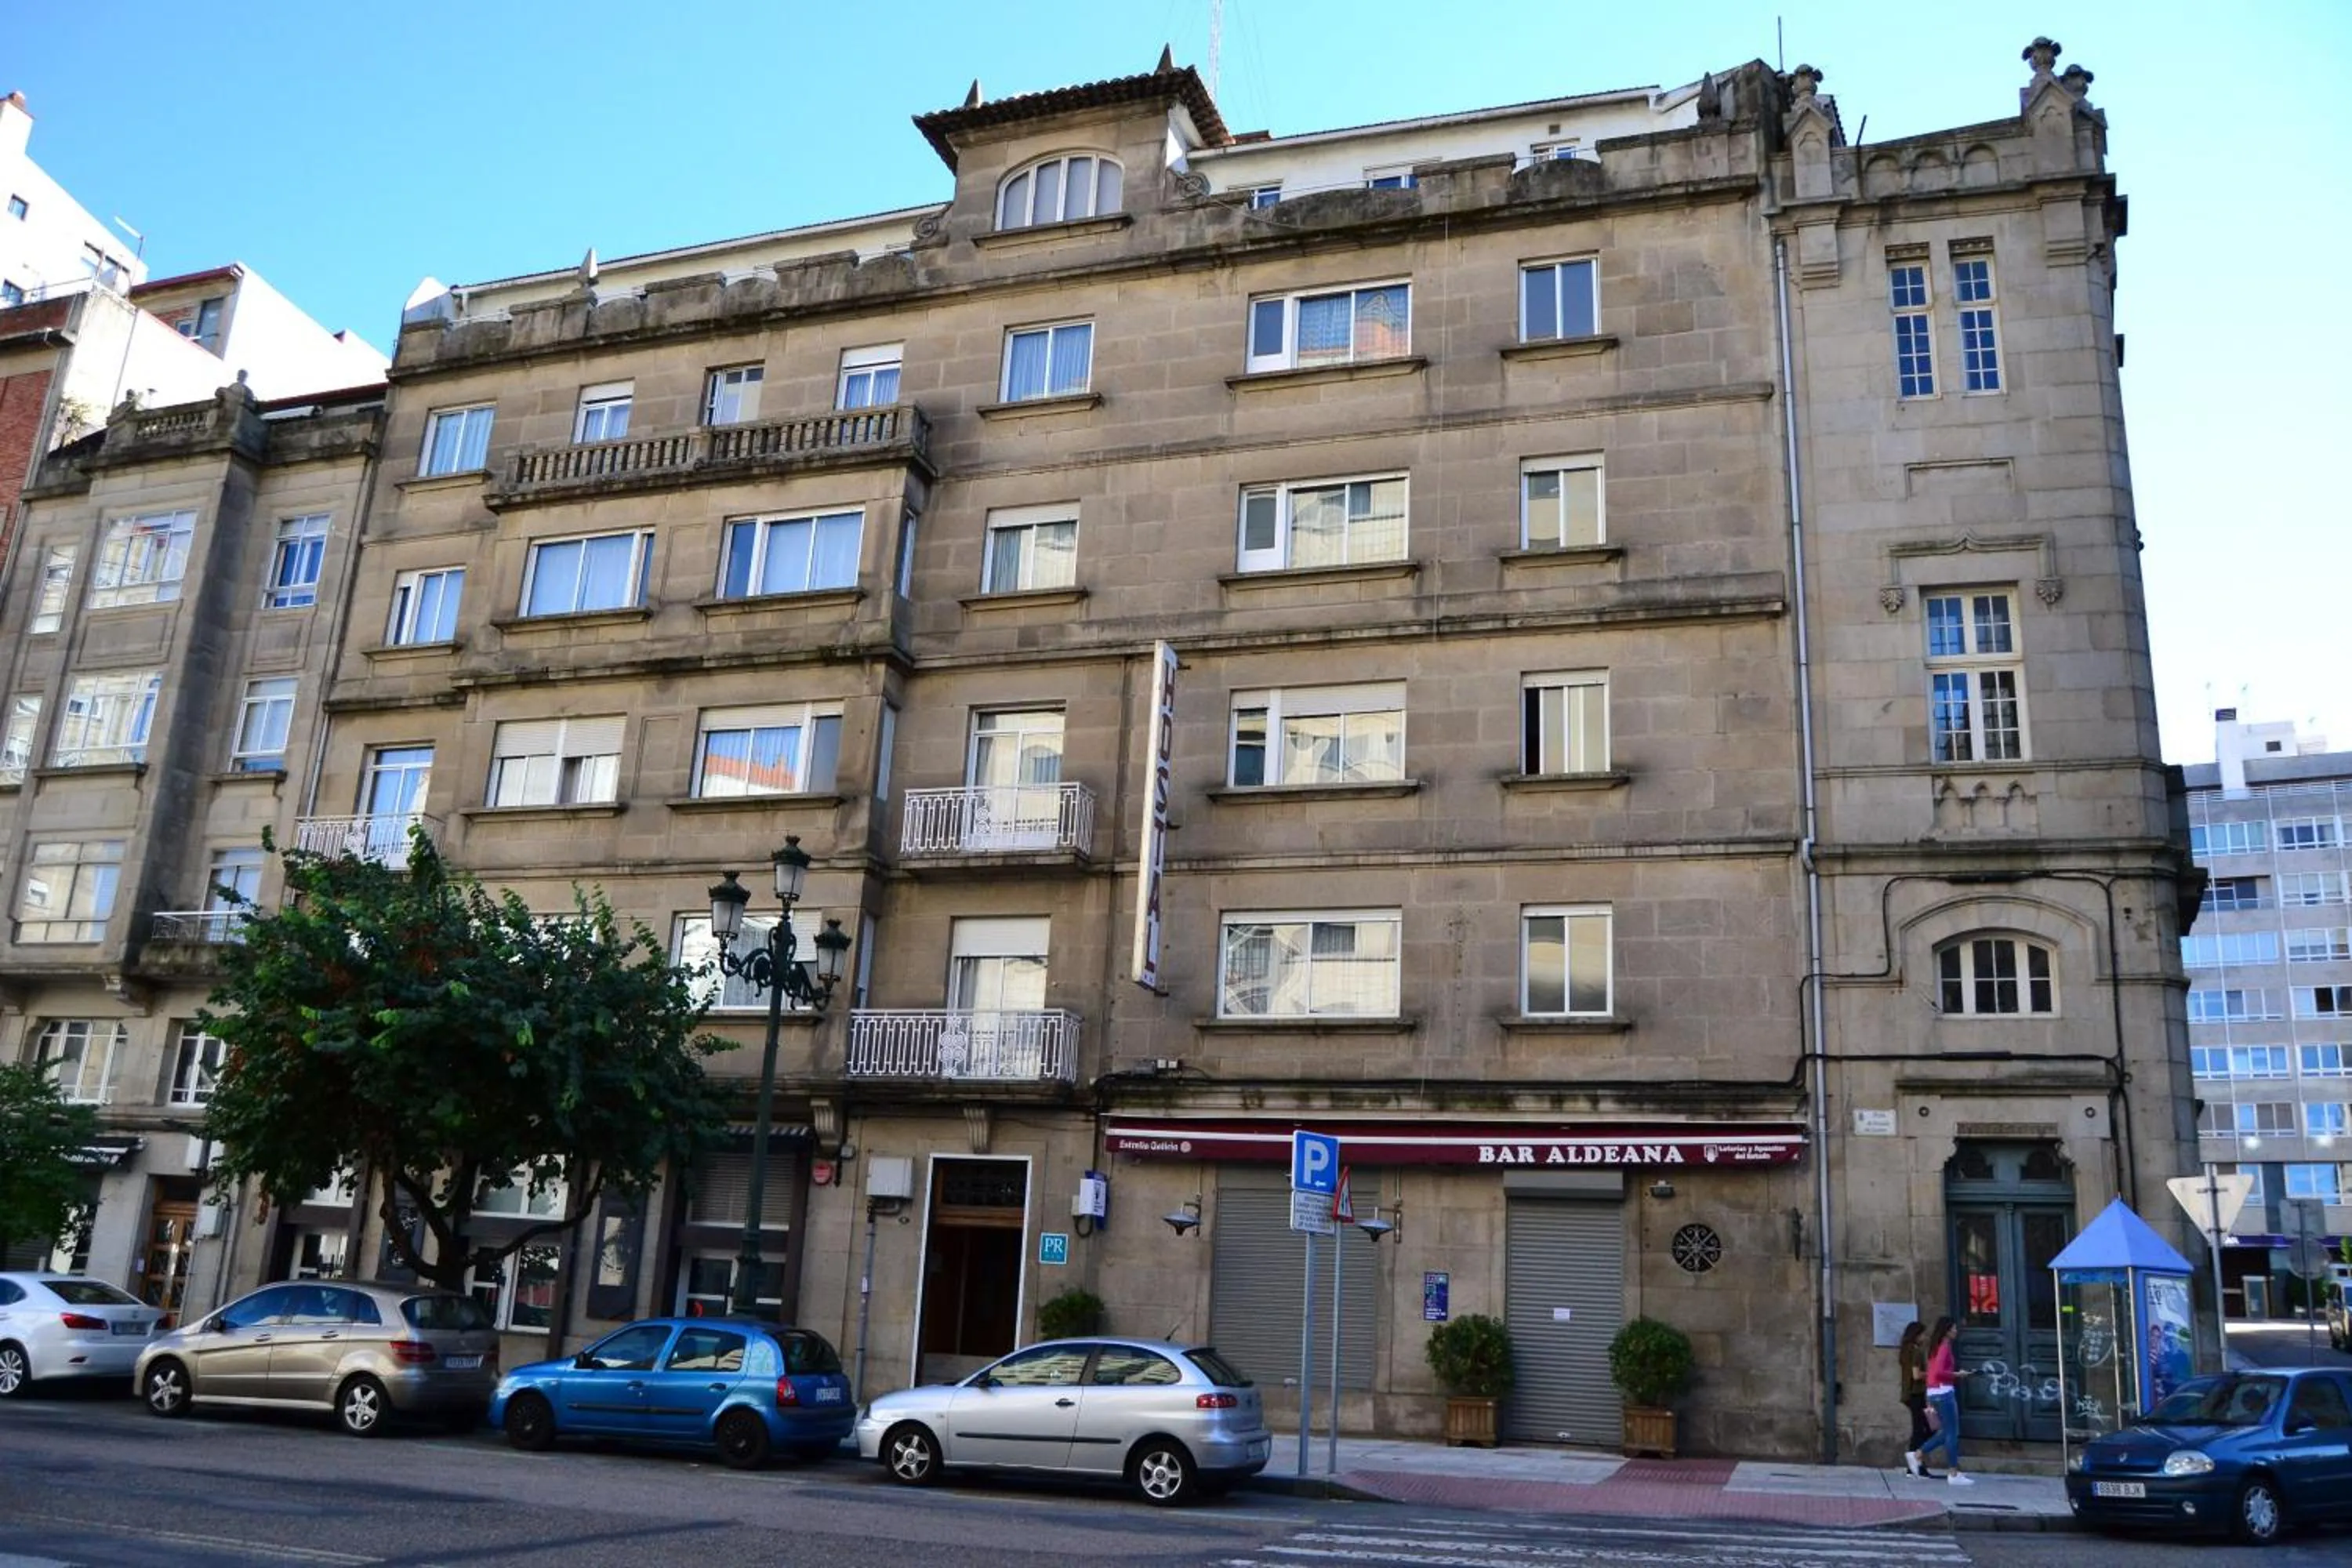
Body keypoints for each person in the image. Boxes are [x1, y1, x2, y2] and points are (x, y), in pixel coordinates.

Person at [1918, 1316, 1972, 1485]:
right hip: (1944, 1392)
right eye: (1954, 1328)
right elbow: (1940, 1372)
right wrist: (1958, 1374)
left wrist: (1928, 1397)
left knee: (1947, 1432)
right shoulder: (1945, 1347)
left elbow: (1932, 1373)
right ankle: (1953, 1473)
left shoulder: (1934, 1348)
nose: (1956, 1331)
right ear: (1947, 1331)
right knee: (1952, 1433)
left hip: (1934, 1392)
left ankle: (1918, 1454)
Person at [1897, 1321, 1936, 1478]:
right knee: (1923, 1430)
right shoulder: (1917, 1352)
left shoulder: (1905, 1351)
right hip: (1916, 1393)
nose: (1925, 1337)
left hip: (1909, 1394)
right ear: (1917, 1335)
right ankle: (1915, 1464)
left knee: (1922, 1430)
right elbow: (1916, 1375)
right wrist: (1932, 1374)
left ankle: (1915, 1465)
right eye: (1923, 1334)